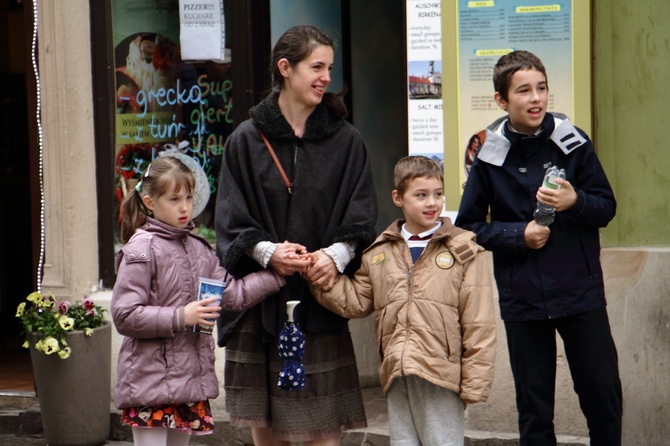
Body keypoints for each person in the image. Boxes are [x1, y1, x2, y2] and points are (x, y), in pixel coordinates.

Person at [214, 25, 378, 445]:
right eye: (316, 67)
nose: (326, 77)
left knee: (324, 428)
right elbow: (230, 220)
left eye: (329, 67)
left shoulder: (347, 142)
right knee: (266, 429)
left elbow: (361, 217)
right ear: (286, 68)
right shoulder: (246, 141)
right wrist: (269, 252)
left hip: (319, 304)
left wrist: (334, 256)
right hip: (261, 307)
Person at [455, 50, 622, 445]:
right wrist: (519, 236)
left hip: (580, 292)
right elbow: (469, 227)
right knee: (534, 411)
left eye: (542, 88)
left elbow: (607, 207)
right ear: (502, 100)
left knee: (603, 396)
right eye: (524, 91)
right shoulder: (488, 154)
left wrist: (575, 202)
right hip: (523, 297)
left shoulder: (574, 141)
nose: (536, 99)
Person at [310, 155, 496, 445]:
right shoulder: (377, 251)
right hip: (396, 370)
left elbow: (479, 322)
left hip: (441, 374)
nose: (432, 203)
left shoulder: (465, 249)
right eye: (421, 195)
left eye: (437, 194)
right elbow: (356, 301)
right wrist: (320, 279)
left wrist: (474, 382)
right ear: (398, 197)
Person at [112, 156, 286, 446]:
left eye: (189, 197)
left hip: (188, 385)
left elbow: (232, 294)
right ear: (150, 202)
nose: (184, 207)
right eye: (174, 198)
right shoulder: (141, 248)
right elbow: (124, 315)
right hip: (149, 383)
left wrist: (278, 273)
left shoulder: (199, 248)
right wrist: (182, 316)